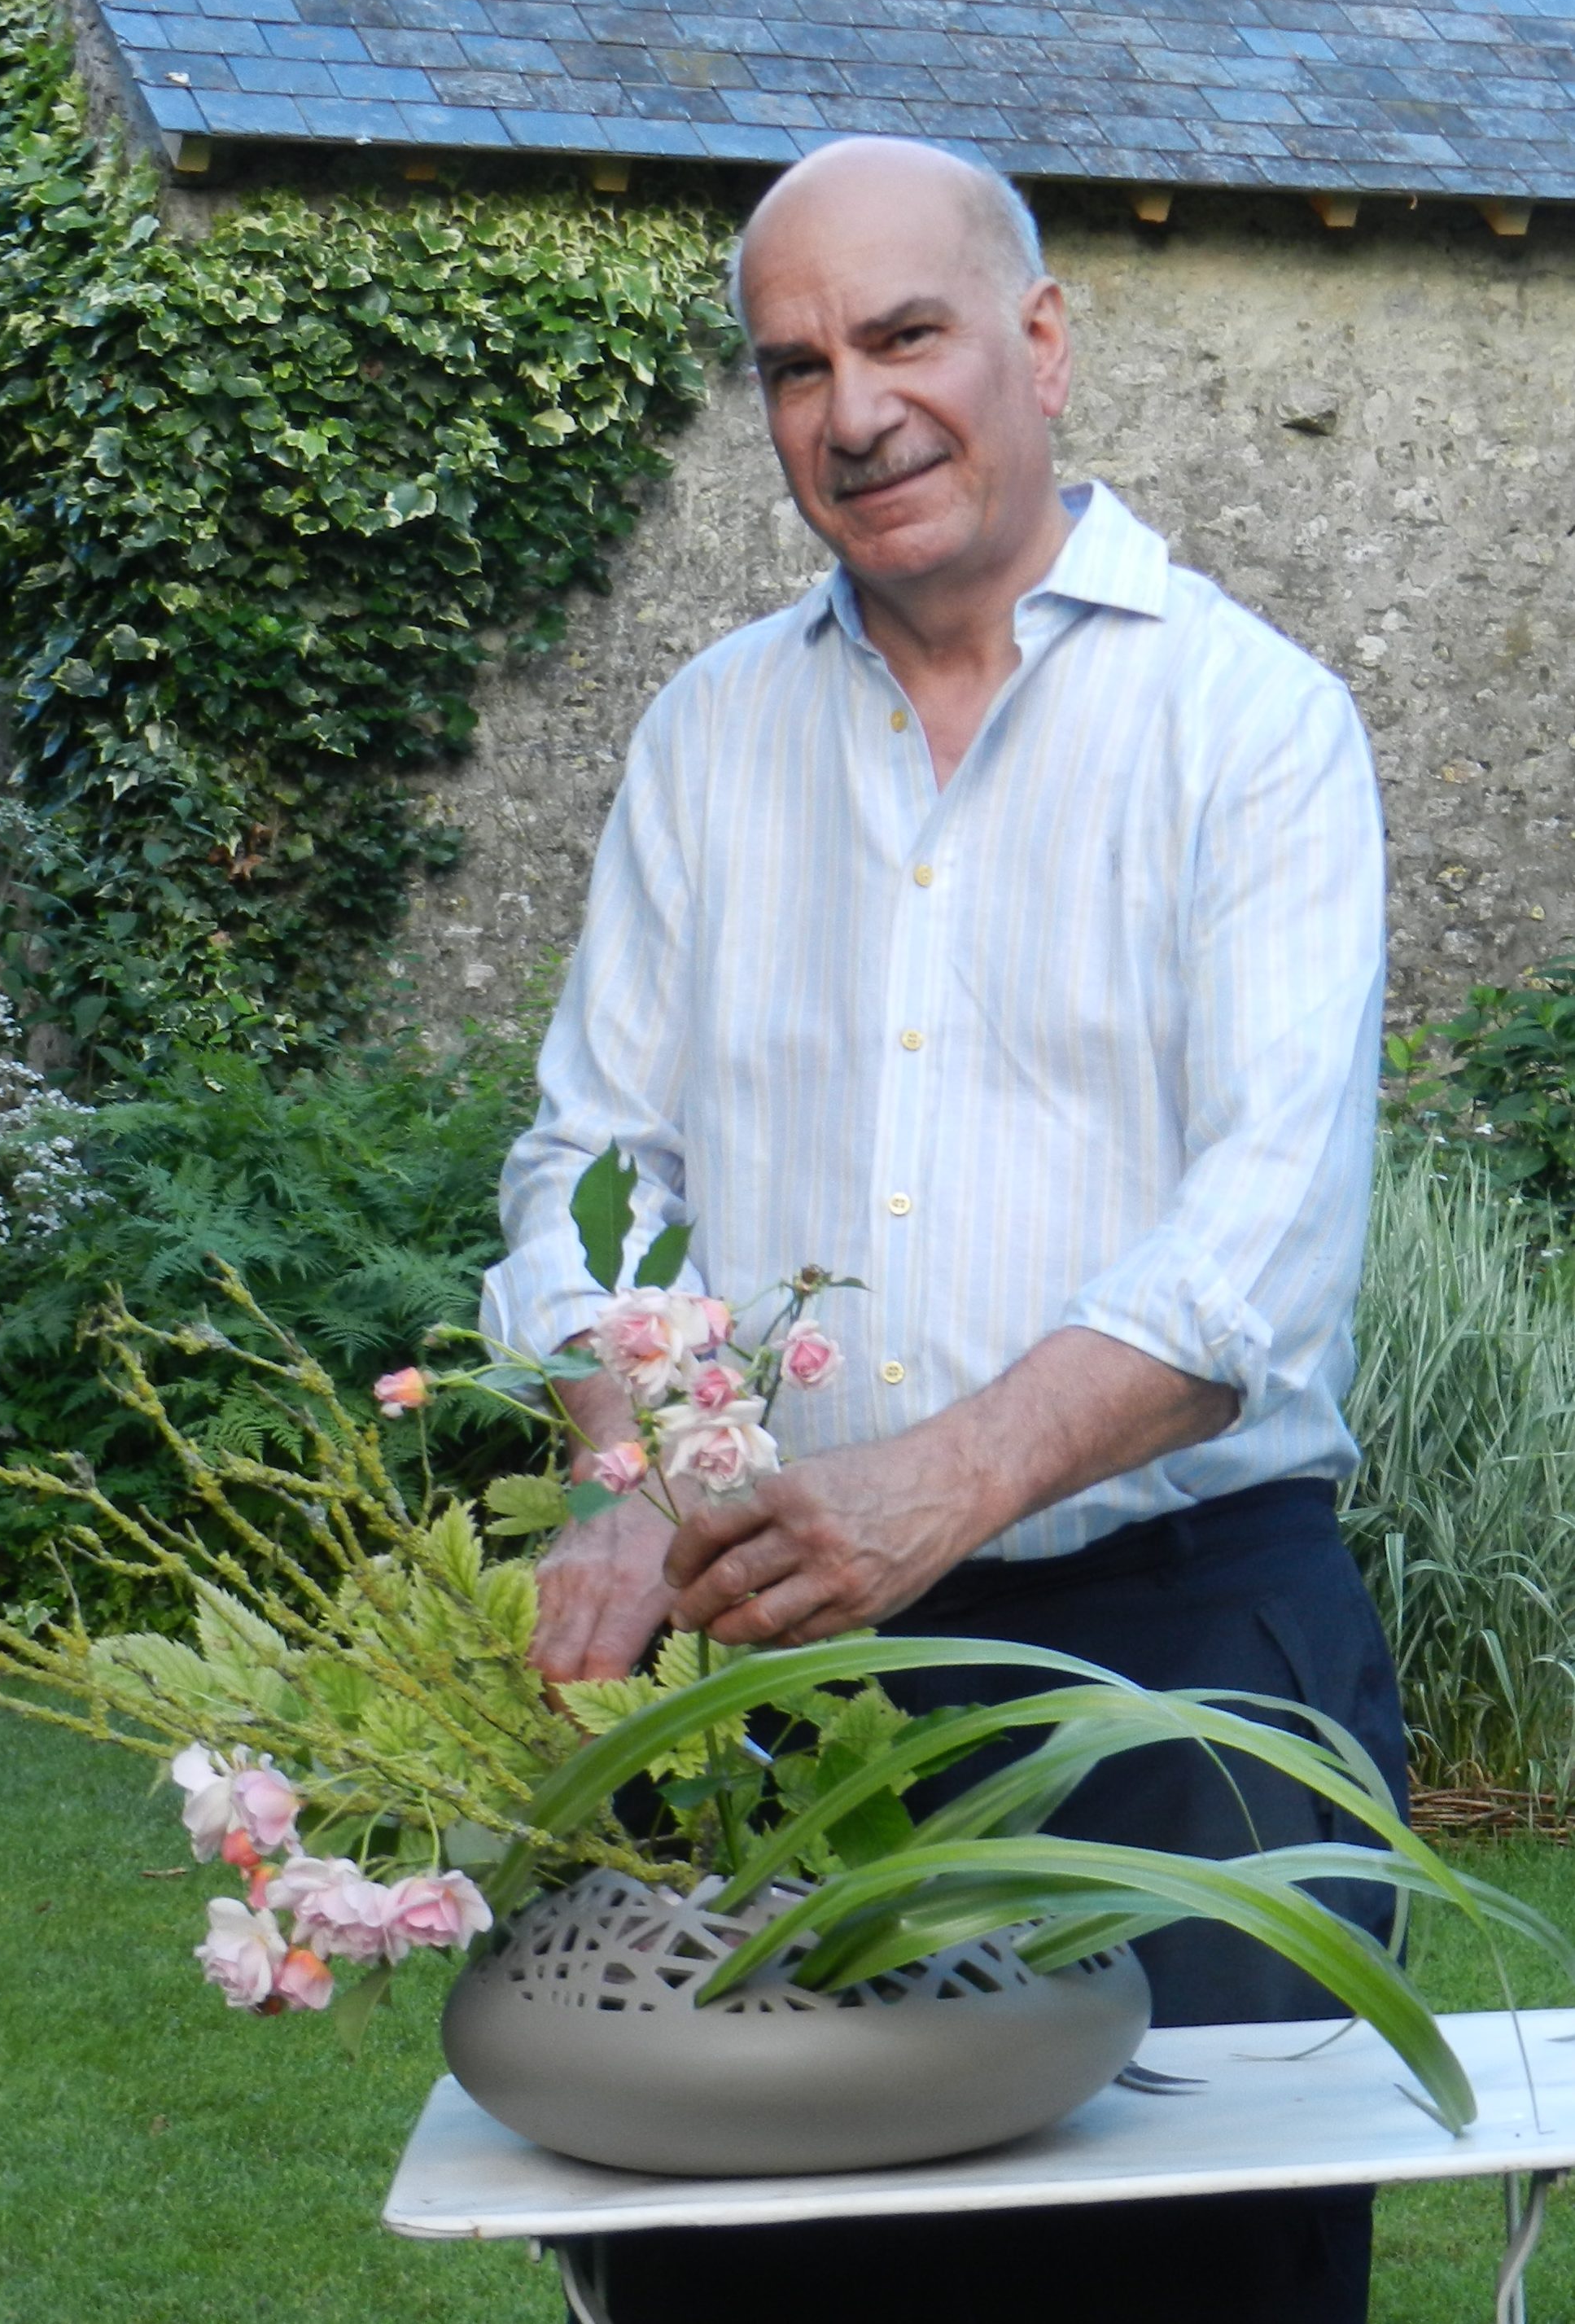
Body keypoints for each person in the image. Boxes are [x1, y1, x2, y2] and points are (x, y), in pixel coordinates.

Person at [480, 137, 1399, 2324]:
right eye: (792, 365)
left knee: (1202, 2288)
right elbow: (594, 1167)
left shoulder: (1248, 727)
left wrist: (942, 1474)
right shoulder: (706, 740)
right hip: (786, 1666)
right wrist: (626, 1456)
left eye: (902, 335)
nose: (853, 410)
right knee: (750, 2281)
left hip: (1185, 1669)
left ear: (1041, 341)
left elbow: (1247, 1258)